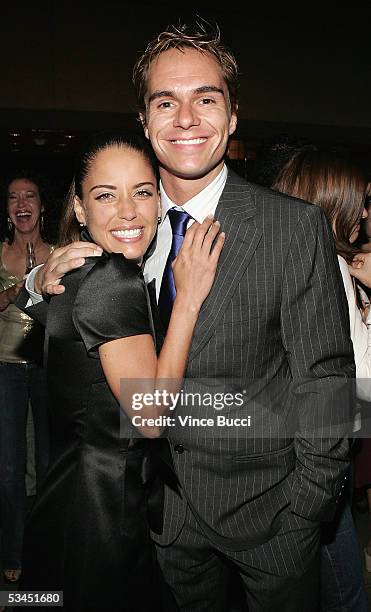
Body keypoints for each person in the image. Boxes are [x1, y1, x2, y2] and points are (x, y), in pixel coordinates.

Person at [26, 21, 355, 612]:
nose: (186, 118)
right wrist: (37, 278)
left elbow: (326, 386)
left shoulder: (292, 226)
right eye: (165, 102)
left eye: (206, 98)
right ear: (145, 123)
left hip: (271, 519)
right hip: (159, 520)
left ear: (232, 116)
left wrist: (306, 512)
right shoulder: (127, 226)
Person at [17, 131, 223, 611]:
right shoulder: (112, 278)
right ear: (80, 208)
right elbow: (151, 415)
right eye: (106, 195)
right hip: (102, 505)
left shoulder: (81, 269)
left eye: (143, 192)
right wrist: (189, 298)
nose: (129, 211)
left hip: (69, 490)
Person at [272, 148, 370, 611]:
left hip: (312, 457)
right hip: (317, 463)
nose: (366, 213)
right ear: (333, 204)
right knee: (344, 593)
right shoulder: (328, 269)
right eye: (361, 201)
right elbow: (360, 389)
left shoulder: (319, 262)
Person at [0, 171, 53, 586]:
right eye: (14, 197)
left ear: (41, 207)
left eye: (30, 196)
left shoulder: (58, 254)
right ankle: (13, 551)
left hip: (46, 369)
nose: (22, 203)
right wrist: (24, 285)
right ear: (7, 210)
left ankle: (46, 549)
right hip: (5, 370)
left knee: (50, 464)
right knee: (10, 467)